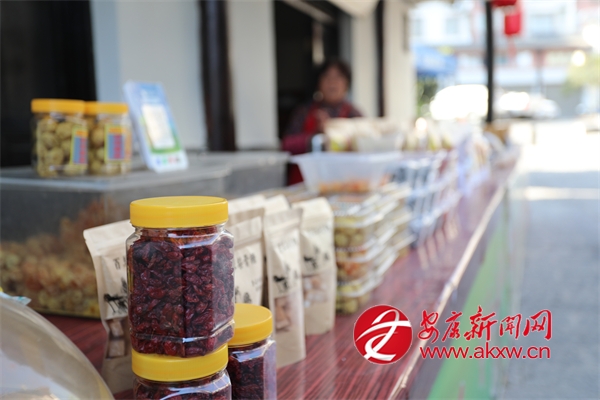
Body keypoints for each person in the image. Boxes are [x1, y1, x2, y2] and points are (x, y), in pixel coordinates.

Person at [282, 59, 363, 185]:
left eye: (338, 77)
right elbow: (286, 145)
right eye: (327, 76)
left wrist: (335, 134)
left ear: (347, 83)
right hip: (305, 184)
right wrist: (316, 135)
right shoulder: (304, 111)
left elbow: (364, 149)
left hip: (343, 184)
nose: (332, 82)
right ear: (318, 82)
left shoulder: (354, 115)